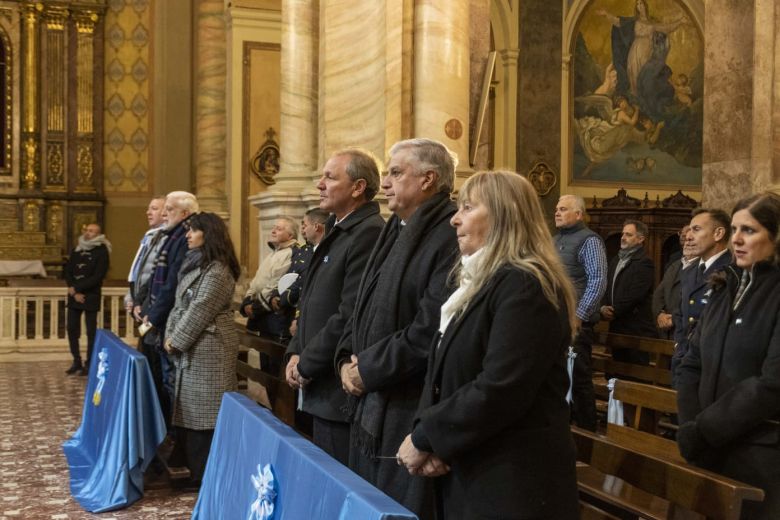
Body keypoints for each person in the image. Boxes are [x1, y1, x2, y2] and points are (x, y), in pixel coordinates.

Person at [397, 171, 579, 519]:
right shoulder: (482, 281)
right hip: (475, 463)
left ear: (503, 215)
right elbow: (444, 371)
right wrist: (437, 443)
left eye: (467, 208)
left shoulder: (528, 285)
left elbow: (501, 387)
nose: (455, 218)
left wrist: (427, 437)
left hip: (512, 480)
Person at [335, 138, 459, 516]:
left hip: (406, 401)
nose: (384, 182)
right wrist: (345, 360)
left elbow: (430, 329)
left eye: (395, 172)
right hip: (372, 398)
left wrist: (366, 370)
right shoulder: (395, 229)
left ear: (428, 179)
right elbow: (361, 305)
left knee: (394, 508)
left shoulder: (447, 235)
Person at [676, 192, 780, 520]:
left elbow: (772, 383)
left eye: (749, 230)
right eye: (733, 229)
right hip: (708, 449)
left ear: (776, 237)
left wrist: (703, 430)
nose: (736, 239)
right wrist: (691, 426)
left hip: (759, 452)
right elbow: (691, 361)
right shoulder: (723, 287)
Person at [285, 149, 385, 465]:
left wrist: (307, 362)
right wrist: (294, 351)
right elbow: (312, 299)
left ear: (357, 187)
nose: (320, 184)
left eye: (330, 177)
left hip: (335, 384)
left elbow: (349, 312)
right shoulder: (338, 229)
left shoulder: (367, 233)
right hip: (319, 378)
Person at [163, 212, 241, 488]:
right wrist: (170, 335)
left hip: (210, 349)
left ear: (208, 234)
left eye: (193, 230)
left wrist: (176, 340)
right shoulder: (197, 264)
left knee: (206, 414)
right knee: (192, 412)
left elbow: (201, 308)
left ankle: (204, 475)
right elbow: (180, 304)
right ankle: (192, 469)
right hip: (194, 348)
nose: (188, 235)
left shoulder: (218, 270)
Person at [139, 191, 199, 426]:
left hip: (170, 319)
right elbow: (154, 276)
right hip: (161, 316)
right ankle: (167, 429)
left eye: (170, 209)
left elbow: (172, 281)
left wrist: (152, 317)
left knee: (171, 379)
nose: (164, 214)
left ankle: (175, 433)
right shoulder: (171, 236)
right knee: (164, 378)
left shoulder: (182, 237)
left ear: (185, 213)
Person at [554, 194, 607, 431]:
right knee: (557, 379)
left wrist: (579, 316)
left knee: (580, 381)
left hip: (577, 325)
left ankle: (588, 434)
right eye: (556, 208)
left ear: (579, 214)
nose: (557, 212)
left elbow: (597, 280)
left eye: (563, 209)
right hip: (555, 322)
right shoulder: (555, 240)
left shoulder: (589, 240)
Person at [672, 209, 731, 386]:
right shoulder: (690, 271)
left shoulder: (730, 271)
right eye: (689, 230)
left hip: (711, 366)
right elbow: (680, 313)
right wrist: (679, 347)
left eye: (696, 229)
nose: (688, 236)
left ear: (718, 233)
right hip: (684, 361)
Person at [600, 219, 657, 347]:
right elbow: (607, 286)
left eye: (628, 235)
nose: (623, 237)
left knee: (636, 365)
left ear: (640, 239)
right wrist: (603, 307)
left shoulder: (644, 262)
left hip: (635, 328)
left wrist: (614, 311)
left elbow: (635, 294)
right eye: (623, 234)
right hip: (616, 324)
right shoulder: (616, 259)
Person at [240, 217, 298, 340]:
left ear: (290, 235)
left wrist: (255, 308)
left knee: (274, 356)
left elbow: (275, 284)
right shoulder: (273, 253)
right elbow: (256, 281)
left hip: (275, 319)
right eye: (273, 228)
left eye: (279, 229)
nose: (273, 231)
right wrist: (247, 301)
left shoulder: (291, 253)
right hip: (263, 319)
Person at [64, 223, 111, 376]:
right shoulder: (77, 249)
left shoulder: (102, 251)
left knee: (91, 331)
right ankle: (76, 361)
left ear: (98, 234)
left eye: (91, 231)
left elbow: (98, 275)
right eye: (86, 230)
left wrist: (78, 289)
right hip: (74, 295)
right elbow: (68, 270)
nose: (87, 233)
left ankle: (89, 363)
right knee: (71, 328)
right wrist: (73, 289)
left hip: (90, 295)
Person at [652, 225, 697, 340]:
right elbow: (659, 293)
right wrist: (660, 314)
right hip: (666, 330)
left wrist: (674, 319)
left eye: (691, 240)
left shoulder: (702, 267)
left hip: (687, 331)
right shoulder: (675, 265)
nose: (687, 242)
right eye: (686, 240)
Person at [124, 196, 166, 314]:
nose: (148, 212)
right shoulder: (150, 236)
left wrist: (142, 301)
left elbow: (154, 274)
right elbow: (138, 271)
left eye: (154, 208)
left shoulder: (165, 237)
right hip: (140, 299)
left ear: (165, 213)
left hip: (150, 300)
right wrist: (131, 298)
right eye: (149, 209)